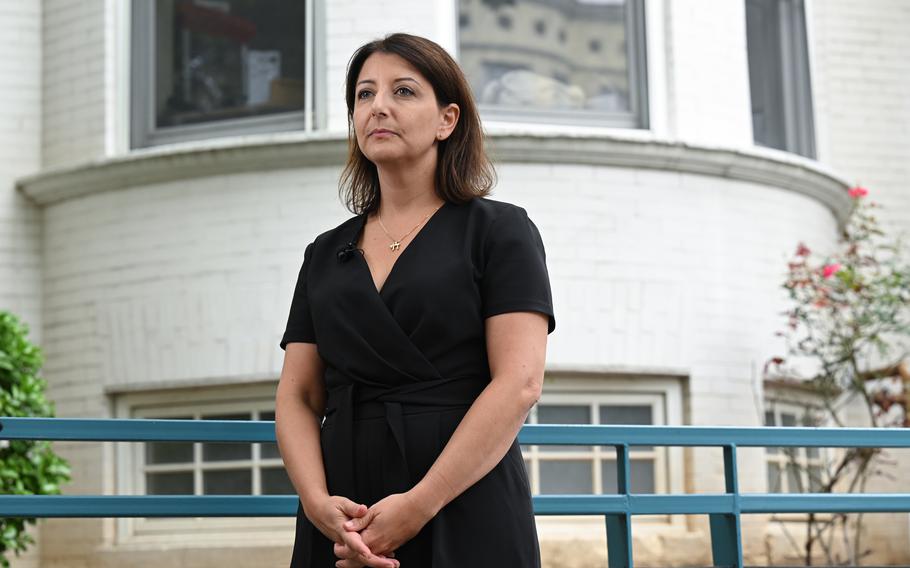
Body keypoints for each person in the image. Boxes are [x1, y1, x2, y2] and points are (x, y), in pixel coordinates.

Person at [275, 32, 556, 568]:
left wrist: (420, 505)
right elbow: (298, 394)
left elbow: (519, 383)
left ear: (447, 120)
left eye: (403, 91)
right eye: (364, 94)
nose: (378, 106)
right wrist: (316, 503)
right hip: (343, 512)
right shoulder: (324, 253)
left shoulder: (500, 231)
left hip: (461, 495)